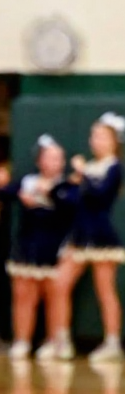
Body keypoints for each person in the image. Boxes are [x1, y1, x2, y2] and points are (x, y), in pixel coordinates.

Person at [49, 112, 125, 364]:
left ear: (114, 141)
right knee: (59, 284)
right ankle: (61, 340)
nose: (95, 140)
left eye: (102, 136)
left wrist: (83, 174)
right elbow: (67, 199)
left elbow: (99, 196)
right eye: (93, 136)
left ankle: (113, 342)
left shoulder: (114, 167)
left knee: (105, 289)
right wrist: (64, 187)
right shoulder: (89, 168)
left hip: (101, 235)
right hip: (79, 234)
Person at [0, 136, 78, 361]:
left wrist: (49, 192)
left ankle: (56, 341)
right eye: (50, 157)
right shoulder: (27, 181)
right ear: (40, 161)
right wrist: (17, 193)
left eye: (59, 158)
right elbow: (6, 193)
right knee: (24, 295)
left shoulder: (66, 186)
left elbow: (71, 205)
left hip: (55, 248)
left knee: (55, 295)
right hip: (27, 245)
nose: (55, 162)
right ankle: (22, 341)